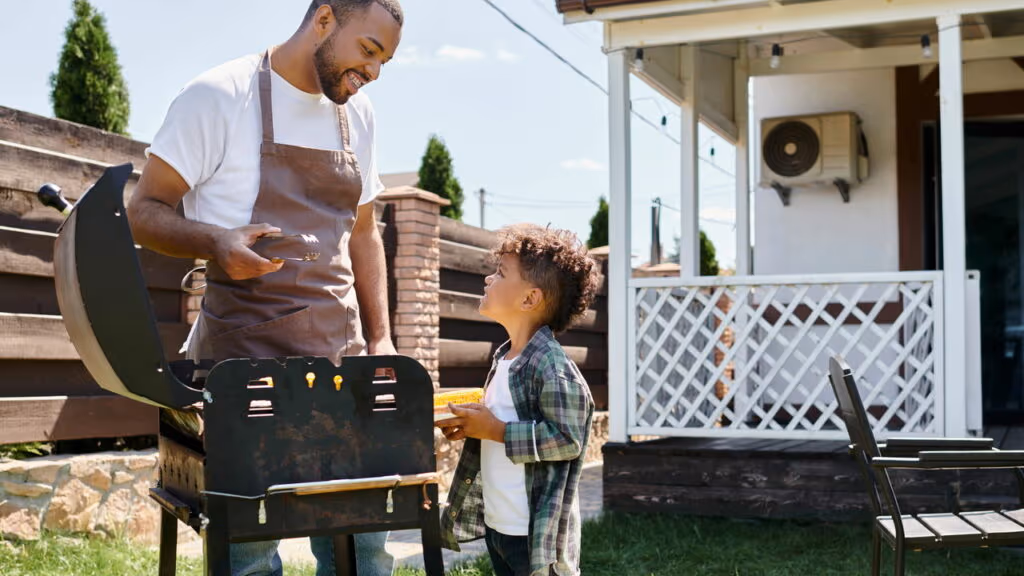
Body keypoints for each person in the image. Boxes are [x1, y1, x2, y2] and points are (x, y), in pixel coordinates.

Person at [125, 1, 404, 575]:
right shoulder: (220, 96)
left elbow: (364, 235)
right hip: (242, 363)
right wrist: (215, 242)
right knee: (249, 552)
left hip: (338, 364)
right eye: (369, 51)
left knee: (364, 544)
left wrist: (380, 341)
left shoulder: (361, 116)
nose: (373, 71)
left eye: (384, 62)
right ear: (324, 20)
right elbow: (142, 212)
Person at [437, 224, 600, 576]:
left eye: (500, 273)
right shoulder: (505, 358)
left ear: (529, 299)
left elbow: (567, 438)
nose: (487, 280)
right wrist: (473, 426)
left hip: (533, 535)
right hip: (500, 525)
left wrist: (495, 431)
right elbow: (502, 420)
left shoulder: (551, 365)